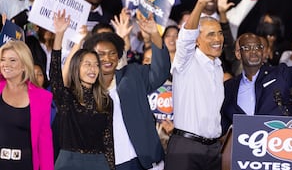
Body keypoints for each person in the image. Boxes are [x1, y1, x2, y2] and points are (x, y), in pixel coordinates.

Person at [221, 0, 292, 133]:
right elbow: (223, 125)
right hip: (241, 152)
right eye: (247, 48)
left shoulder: (280, 75)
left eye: (258, 47)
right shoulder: (229, 88)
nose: (253, 51)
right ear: (238, 54)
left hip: (275, 148)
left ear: (264, 53)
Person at [82, 11, 170, 170]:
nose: (107, 59)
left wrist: (154, 34)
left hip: (143, 161)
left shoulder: (133, 75)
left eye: (112, 53)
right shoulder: (85, 89)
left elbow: (161, 71)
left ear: (118, 56)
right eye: (101, 54)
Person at [165, 0, 225, 170]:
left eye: (219, 33)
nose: (217, 39)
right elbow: (186, 37)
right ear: (197, 41)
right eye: (210, 35)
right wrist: (200, 4)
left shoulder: (217, 66)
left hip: (213, 149)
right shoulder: (186, 61)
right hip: (186, 148)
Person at [50, 10, 114, 170]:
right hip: (69, 163)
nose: (93, 69)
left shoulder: (105, 101)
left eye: (96, 65)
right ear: (76, 68)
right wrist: (59, 35)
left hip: (99, 163)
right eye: (87, 64)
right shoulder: (66, 97)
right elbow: (55, 74)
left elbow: (108, 141)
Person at [0, 40, 53, 170]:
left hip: (25, 165)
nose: (6, 64)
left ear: (24, 65)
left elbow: (44, 143)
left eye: (12, 60)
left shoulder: (42, 97)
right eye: (2, 59)